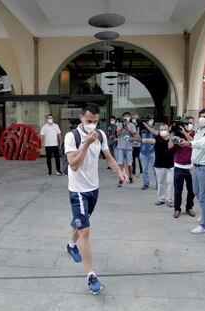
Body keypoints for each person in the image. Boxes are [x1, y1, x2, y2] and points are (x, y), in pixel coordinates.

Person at [65, 103, 127, 295]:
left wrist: (119, 171)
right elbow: (73, 165)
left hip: (94, 189)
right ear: (81, 118)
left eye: (95, 121)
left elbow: (108, 156)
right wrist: (86, 143)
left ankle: (70, 245)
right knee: (85, 231)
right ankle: (91, 276)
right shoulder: (72, 136)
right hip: (77, 191)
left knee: (81, 224)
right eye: (89, 120)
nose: (92, 124)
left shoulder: (100, 134)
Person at [180, 108, 205, 233]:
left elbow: (200, 144)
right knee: (196, 192)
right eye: (200, 116)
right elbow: (195, 148)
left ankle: (204, 225)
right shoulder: (199, 131)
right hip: (195, 167)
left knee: (203, 196)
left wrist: (188, 143)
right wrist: (192, 164)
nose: (202, 118)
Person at [142, 123, 174, 206]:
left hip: (170, 164)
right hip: (159, 164)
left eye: (165, 129)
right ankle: (161, 198)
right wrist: (145, 140)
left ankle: (169, 199)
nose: (163, 131)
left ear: (168, 130)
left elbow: (173, 146)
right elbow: (151, 140)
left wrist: (172, 136)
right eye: (161, 130)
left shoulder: (172, 139)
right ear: (159, 131)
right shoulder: (157, 138)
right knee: (160, 182)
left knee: (170, 182)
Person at [169, 116, 196, 218]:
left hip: (191, 167)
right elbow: (170, 146)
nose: (188, 124)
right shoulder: (177, 134)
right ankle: (177, 209)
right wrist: (172, 132)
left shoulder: (195, 133)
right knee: (177, 190)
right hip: (179, 166)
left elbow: (194, 143)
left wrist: (185, 133)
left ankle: (189, 207)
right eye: (187, 122)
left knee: (191, 190)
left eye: (190, 123)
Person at [116, 112, 136, 186]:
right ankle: (121, 178)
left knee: (129, 164)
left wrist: (127, 129)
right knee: (120, 164)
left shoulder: (132, 125)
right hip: (120, 147)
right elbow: (117, 134)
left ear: (130, 117)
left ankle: (130, 177)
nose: (126, 117)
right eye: (125, 116)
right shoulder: (119, 125)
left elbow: (133, 135)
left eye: (127, 116)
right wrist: (122, 127)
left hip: (129, 147)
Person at [139, 117, 157, 190]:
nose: (150, 121)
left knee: (155, 169)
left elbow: (154, 133)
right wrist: (138, 126)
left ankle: (158, 184)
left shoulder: (155, 128)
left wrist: (147, 125)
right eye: (148, 120)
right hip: (143, 151)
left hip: (153, 151)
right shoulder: (141, 128)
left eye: (151, 120)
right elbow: (137, 137)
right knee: (144, 169)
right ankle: (146, 183)